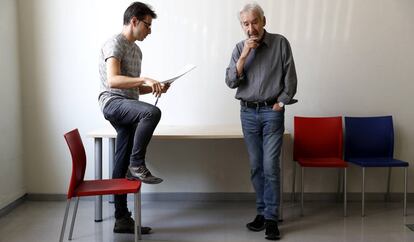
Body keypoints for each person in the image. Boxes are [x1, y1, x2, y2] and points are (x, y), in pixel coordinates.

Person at [225, 2, 297, 240]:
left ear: (263, 21)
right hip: (247, 113)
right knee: (256, 166)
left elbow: (291, 78)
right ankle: (261, 213)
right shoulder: (238, 48)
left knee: (270, 166)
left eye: (254, 22)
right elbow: (231, 81)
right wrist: (244, 55)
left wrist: (282, 103)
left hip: (271, 112)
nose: (250, 28)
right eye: (245, 24)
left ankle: (272, 219)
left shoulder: (280, 43)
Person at [98, 2, 169, 235]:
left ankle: (122, 219)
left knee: (121, 157)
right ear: (134, 21)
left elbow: (133, 91)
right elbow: (113, 81)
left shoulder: (137, 51)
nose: (150, 31)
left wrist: (155, 87)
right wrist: (145, 79)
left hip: (127, 104)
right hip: (112, 102)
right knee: (151, 112)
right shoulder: (114, 43)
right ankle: (136, 163)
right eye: (148, 25)